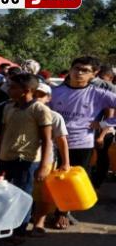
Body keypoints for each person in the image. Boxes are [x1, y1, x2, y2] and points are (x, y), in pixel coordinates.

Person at [48, 56, 116, 227]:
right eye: (76, 68)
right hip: (52, 143)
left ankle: (63, 212)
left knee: (69, 181)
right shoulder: (54, 92)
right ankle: (43, 211)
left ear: (94, 74)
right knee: (49, 178)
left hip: (81, 143)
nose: (79, 73)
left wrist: (103, 124)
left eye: (85, 70)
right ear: (70, 70)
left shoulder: (99, 94)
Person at [0, 73, 53, 246]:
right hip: (5, 157)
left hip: (27, 160)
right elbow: (3, 133)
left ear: (26, 90)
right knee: (2, 195)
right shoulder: (8, 107)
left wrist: (44, 165)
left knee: (22, 196)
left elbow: (47, 140)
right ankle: (2, 228)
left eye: (13, 87)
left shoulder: (39, 109)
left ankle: (19, 232)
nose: (9, 89)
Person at [31, 83, 71, 235]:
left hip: (45, 160)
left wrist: (66, 162)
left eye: (41, 95)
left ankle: (39, 224)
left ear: (48, 98)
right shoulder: (19, 112)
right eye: (34, 94)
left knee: (43, 194)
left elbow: (62, 141)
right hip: (23, 158)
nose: (37, 98)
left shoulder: (55, 116)